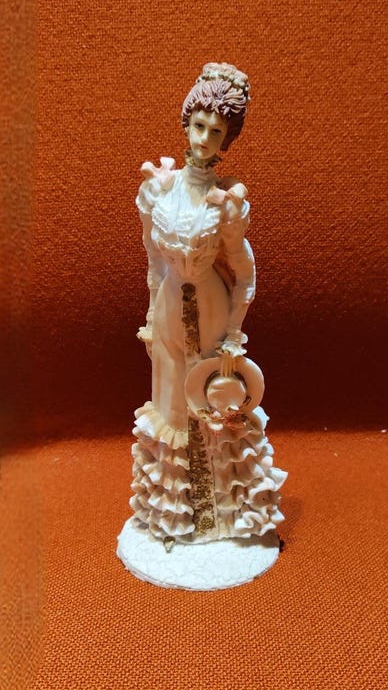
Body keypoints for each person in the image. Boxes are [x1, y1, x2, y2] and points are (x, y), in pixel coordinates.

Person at [129, 63, 285, 545]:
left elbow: (244, 271)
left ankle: (223, 517)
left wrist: (235, 332)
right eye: (198, 125)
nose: (203, 139)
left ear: (226, 139)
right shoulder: (158, 189)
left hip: (214, 312)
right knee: (171, 404)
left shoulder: (227, 203)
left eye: (216, 132)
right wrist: (152, 315)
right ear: (186, 124)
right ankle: (175, 516)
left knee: (215, 402)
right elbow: (154, 259)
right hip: (169, 309)